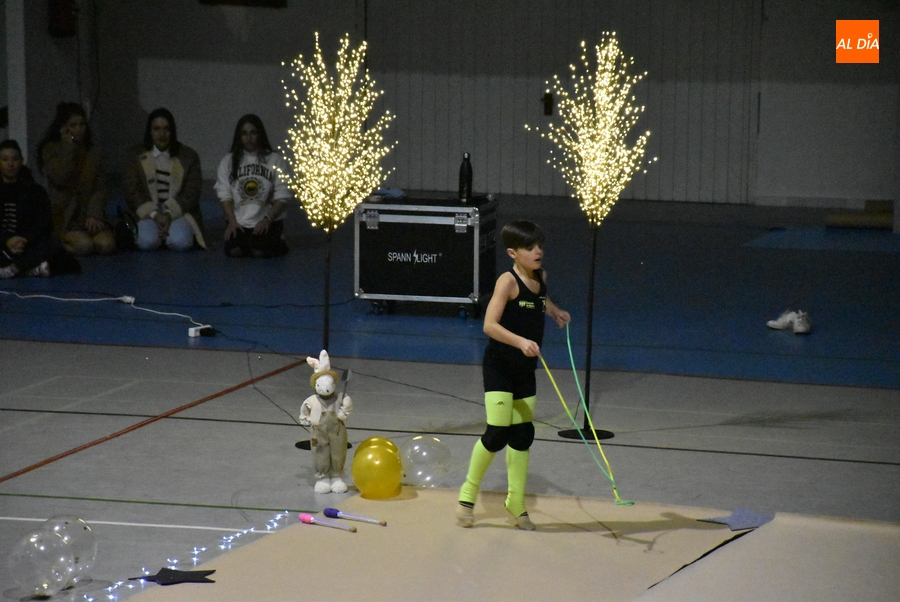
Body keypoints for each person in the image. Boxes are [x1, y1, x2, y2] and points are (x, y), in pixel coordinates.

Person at [457, 220, 570, 530]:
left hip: (525, 370)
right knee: (497, 433)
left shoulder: (541, 278)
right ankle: (467, 495)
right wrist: (521, 341)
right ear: (512, 253)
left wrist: (556, 312)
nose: (538, 251)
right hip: (500, 366)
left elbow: (539, 301)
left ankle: (515, 503)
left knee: (523, 435)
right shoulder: (507, 282)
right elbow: (489, 325)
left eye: (540, 246)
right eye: (530, 247)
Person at [36, 102, 116, 256]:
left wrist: (94, 213)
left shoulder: (93, 152)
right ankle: (57, 243)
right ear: (64, 127)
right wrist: (68, 149)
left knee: (106, 245)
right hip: (66, 214)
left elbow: (101, 186)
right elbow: (60, 177)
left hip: (89, 212)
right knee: (84, 247)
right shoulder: (50, 150)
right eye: (73, 125)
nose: (79, 129)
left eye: (82, 124)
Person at [122, 108, 206, 251]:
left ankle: (166, 234)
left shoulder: (189, 156)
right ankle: (159, 234)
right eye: (157, 129)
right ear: (150, 131)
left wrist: (168, 215)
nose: (162, 134)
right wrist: (155, 215)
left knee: (181, 242)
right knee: (146, 242)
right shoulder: (134, 156)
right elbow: (132, 192)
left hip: (179, 213)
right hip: (147, 214)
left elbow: (191, 194)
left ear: (172, 131)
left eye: (166, 129)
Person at [214, 114, 291, 258]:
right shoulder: (228, 161)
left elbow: (283, 195)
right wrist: (231, 221)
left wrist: (267, 219)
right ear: (239, 136)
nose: (248, 138)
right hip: (239, 221)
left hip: (267, 220)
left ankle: (279, 240)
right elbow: (224, 194)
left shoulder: (275, 160)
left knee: (259, 252)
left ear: (260, 134)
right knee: (235, 252)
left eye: (253, 133)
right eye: (244, 134)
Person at [1, 140, 80, 278]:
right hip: (3, 245)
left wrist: (25, 239)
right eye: (5, 159)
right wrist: (7, 240)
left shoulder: (35, 191)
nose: (10, 164)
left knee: (53, 244)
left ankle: (15, 269)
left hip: (27, 245)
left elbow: (44, 224)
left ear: (21, 161)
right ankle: (31, 269)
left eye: (15, 159)